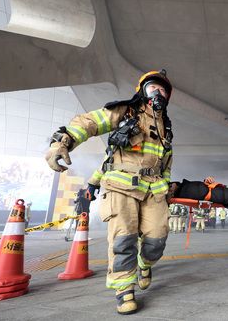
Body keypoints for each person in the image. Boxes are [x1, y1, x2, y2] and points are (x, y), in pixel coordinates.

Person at [45, 70, 174, 315]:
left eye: (163, 90)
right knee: (123, 239)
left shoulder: (166, 128)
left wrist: (166, 188)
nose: (158, 92)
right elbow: (90, 123)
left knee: (157, 240)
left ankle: (144, 264)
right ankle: (124, 289)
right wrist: (62, 142)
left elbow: (166, 163)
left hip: (154, 191)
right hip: (121, 187)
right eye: (153, 88)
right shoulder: (125, 112)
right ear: (142, 91)